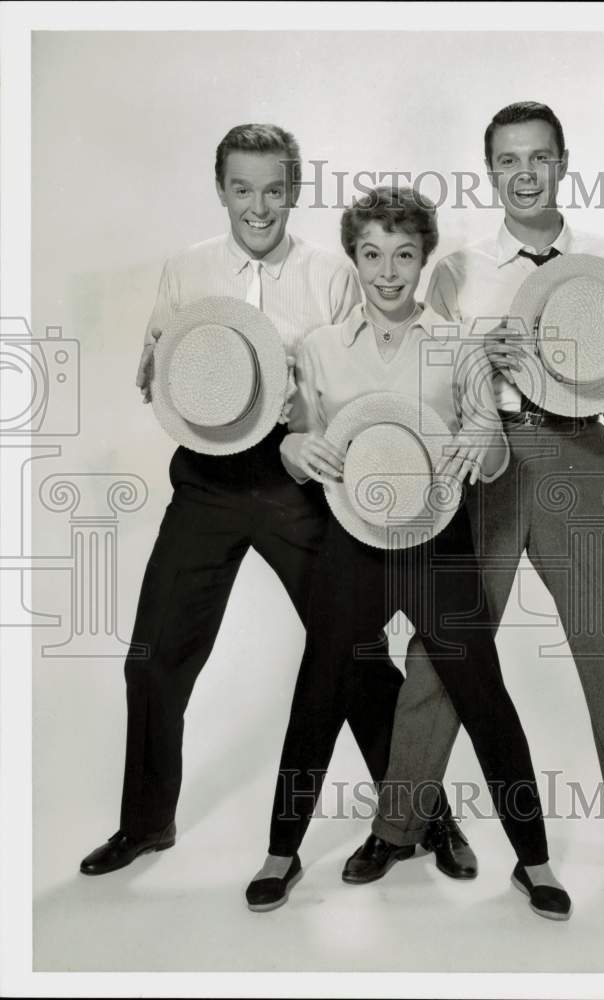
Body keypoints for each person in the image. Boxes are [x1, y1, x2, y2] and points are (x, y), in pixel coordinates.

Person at [79, 126, 469, 878]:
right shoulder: (188, 269)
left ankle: (424, 816)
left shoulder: (331, 274)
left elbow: (355, 378)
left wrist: (304, 420)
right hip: (205, 483)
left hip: (302, 481)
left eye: (274, 189)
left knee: (351, 652)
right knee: (153, 659)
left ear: (294, 190)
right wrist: (160, 365)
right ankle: (145, 824)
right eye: (242, 189)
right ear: (219, 188)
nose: (258, 206)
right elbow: (158, 371)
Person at [350, 101, 604, 889]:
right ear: (490, 172)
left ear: (563, 162)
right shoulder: (458, 269)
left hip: (579, 456)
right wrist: (485, 361)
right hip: (487, 460)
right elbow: (415, 371)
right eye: (507, 161)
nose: (523, 174)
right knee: (447, 644)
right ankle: (398, 825)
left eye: (537, 158)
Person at [245, 186, 572, 921]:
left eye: (403, 255)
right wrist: (296, 447)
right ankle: (280, 852)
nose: (387, 272)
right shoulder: (320, 347)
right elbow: (295, 443)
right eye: (370, 255)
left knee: (483, 695)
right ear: (354, 258)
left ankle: (537, 862)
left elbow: (489, 451)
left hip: (439, 543)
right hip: (352, 546)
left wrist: (482, 445)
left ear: (424, 258)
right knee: (319, 691)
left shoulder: (457, 343)